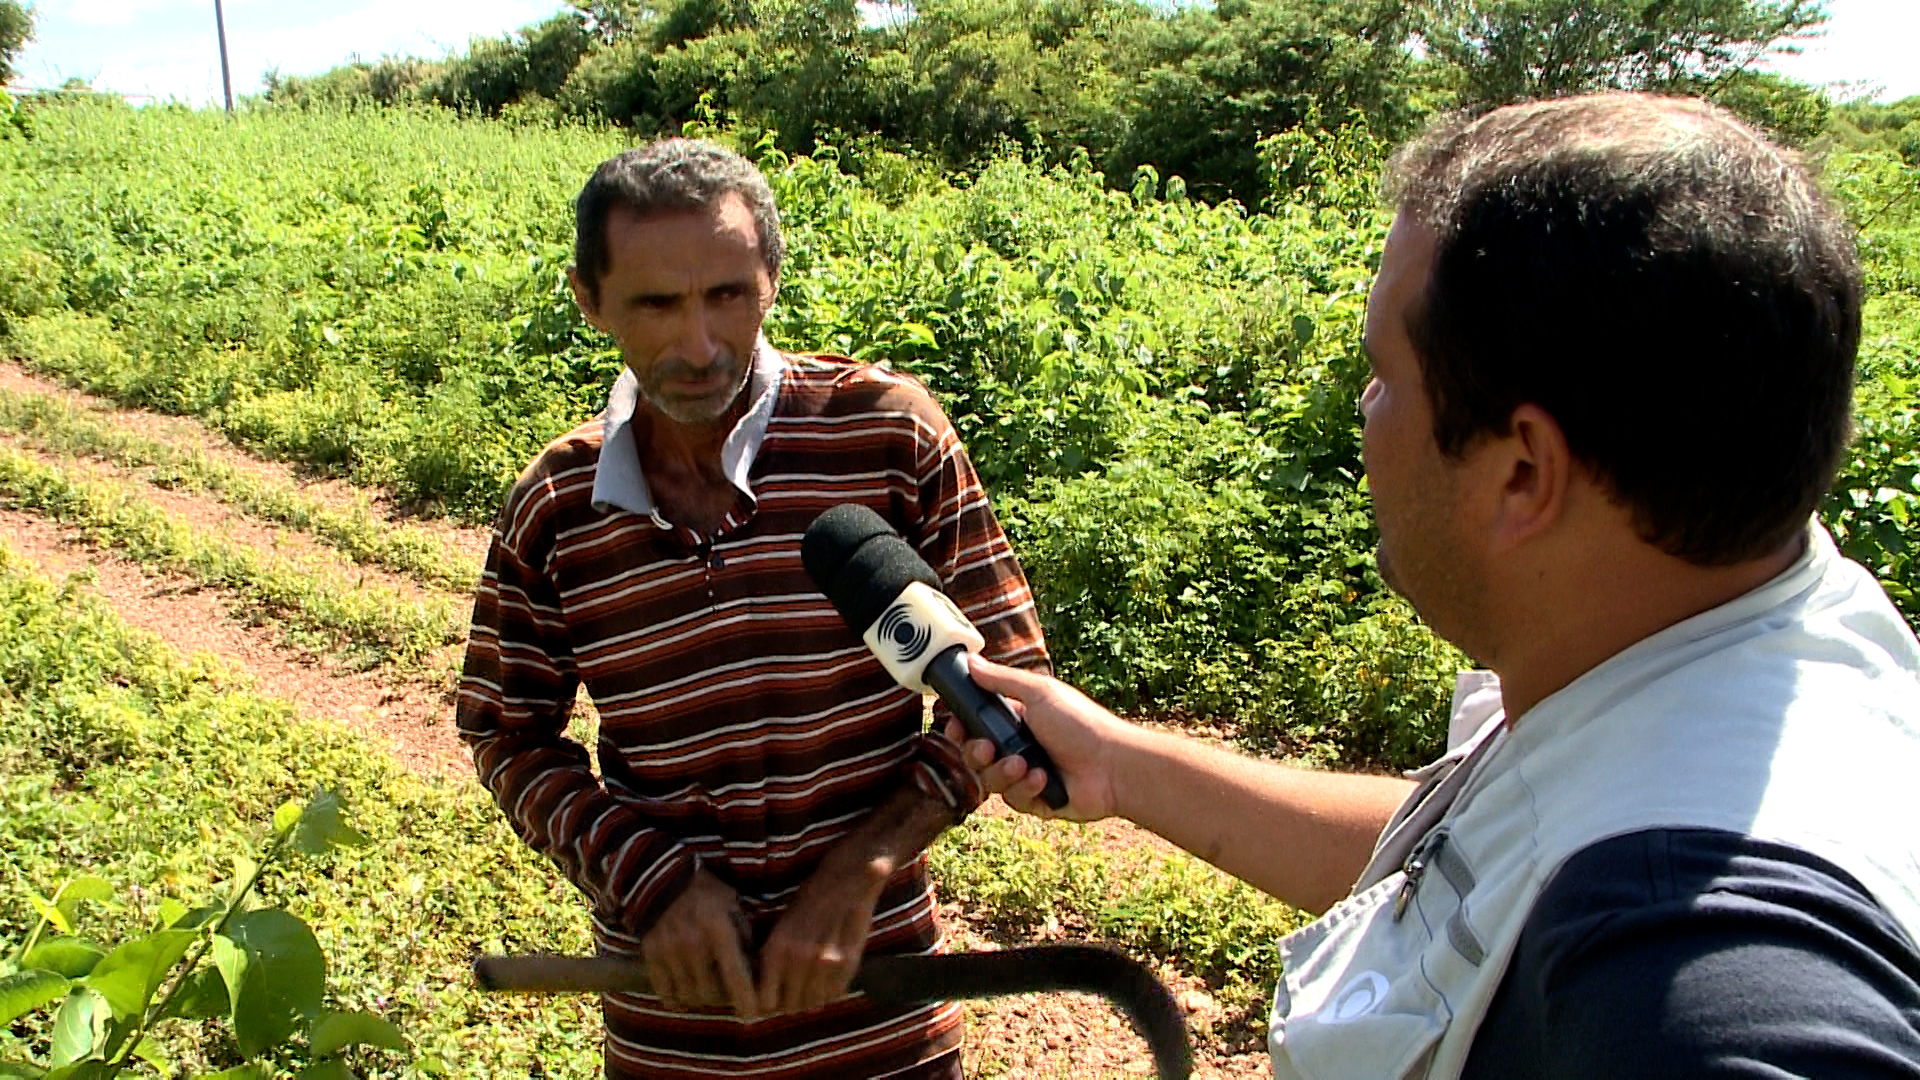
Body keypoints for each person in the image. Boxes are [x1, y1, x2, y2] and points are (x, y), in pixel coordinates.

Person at [956, 93, 1920, 1078]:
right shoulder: (1749, 615)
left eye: (1382, 375)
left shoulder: (1687, 970)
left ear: (1523, 473)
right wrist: (1127, 767)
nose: (1365, 412)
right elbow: (1489, 866)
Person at [456, 138, 1050, 1080]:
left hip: (882, 1012)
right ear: (589, 299)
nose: (698, 347)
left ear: (771, 279)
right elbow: (506, 732)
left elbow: (1013, 684)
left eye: (727, 294)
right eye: (656, 303)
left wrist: (861, 871)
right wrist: (651, 884)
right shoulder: (558, 506)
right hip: (674, 1034)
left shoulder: (887, 435)